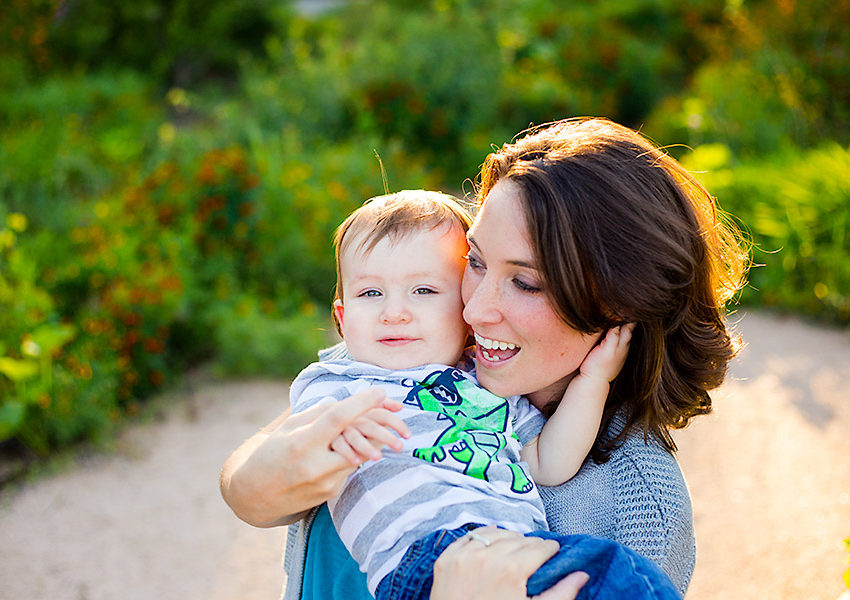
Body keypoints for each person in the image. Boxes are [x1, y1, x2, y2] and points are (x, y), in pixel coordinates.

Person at [219, 118, 748, 600]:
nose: (473, 307)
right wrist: (248, 483)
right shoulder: (407, 356)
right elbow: (261, 475)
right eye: (474, 261)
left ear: (619, 307)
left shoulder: (639, 504)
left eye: (525, 282)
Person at [284, 190, 676, 599]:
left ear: (464, 311)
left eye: (424, 291)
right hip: (423, 559)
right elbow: (299, 459)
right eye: (370, 293)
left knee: (624, 575)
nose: (394, 312)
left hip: (518, 553)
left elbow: (550, 461)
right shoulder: (337, 381)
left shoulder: (483, 386)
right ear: (343, 319)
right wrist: (337, 439)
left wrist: (594, 381)